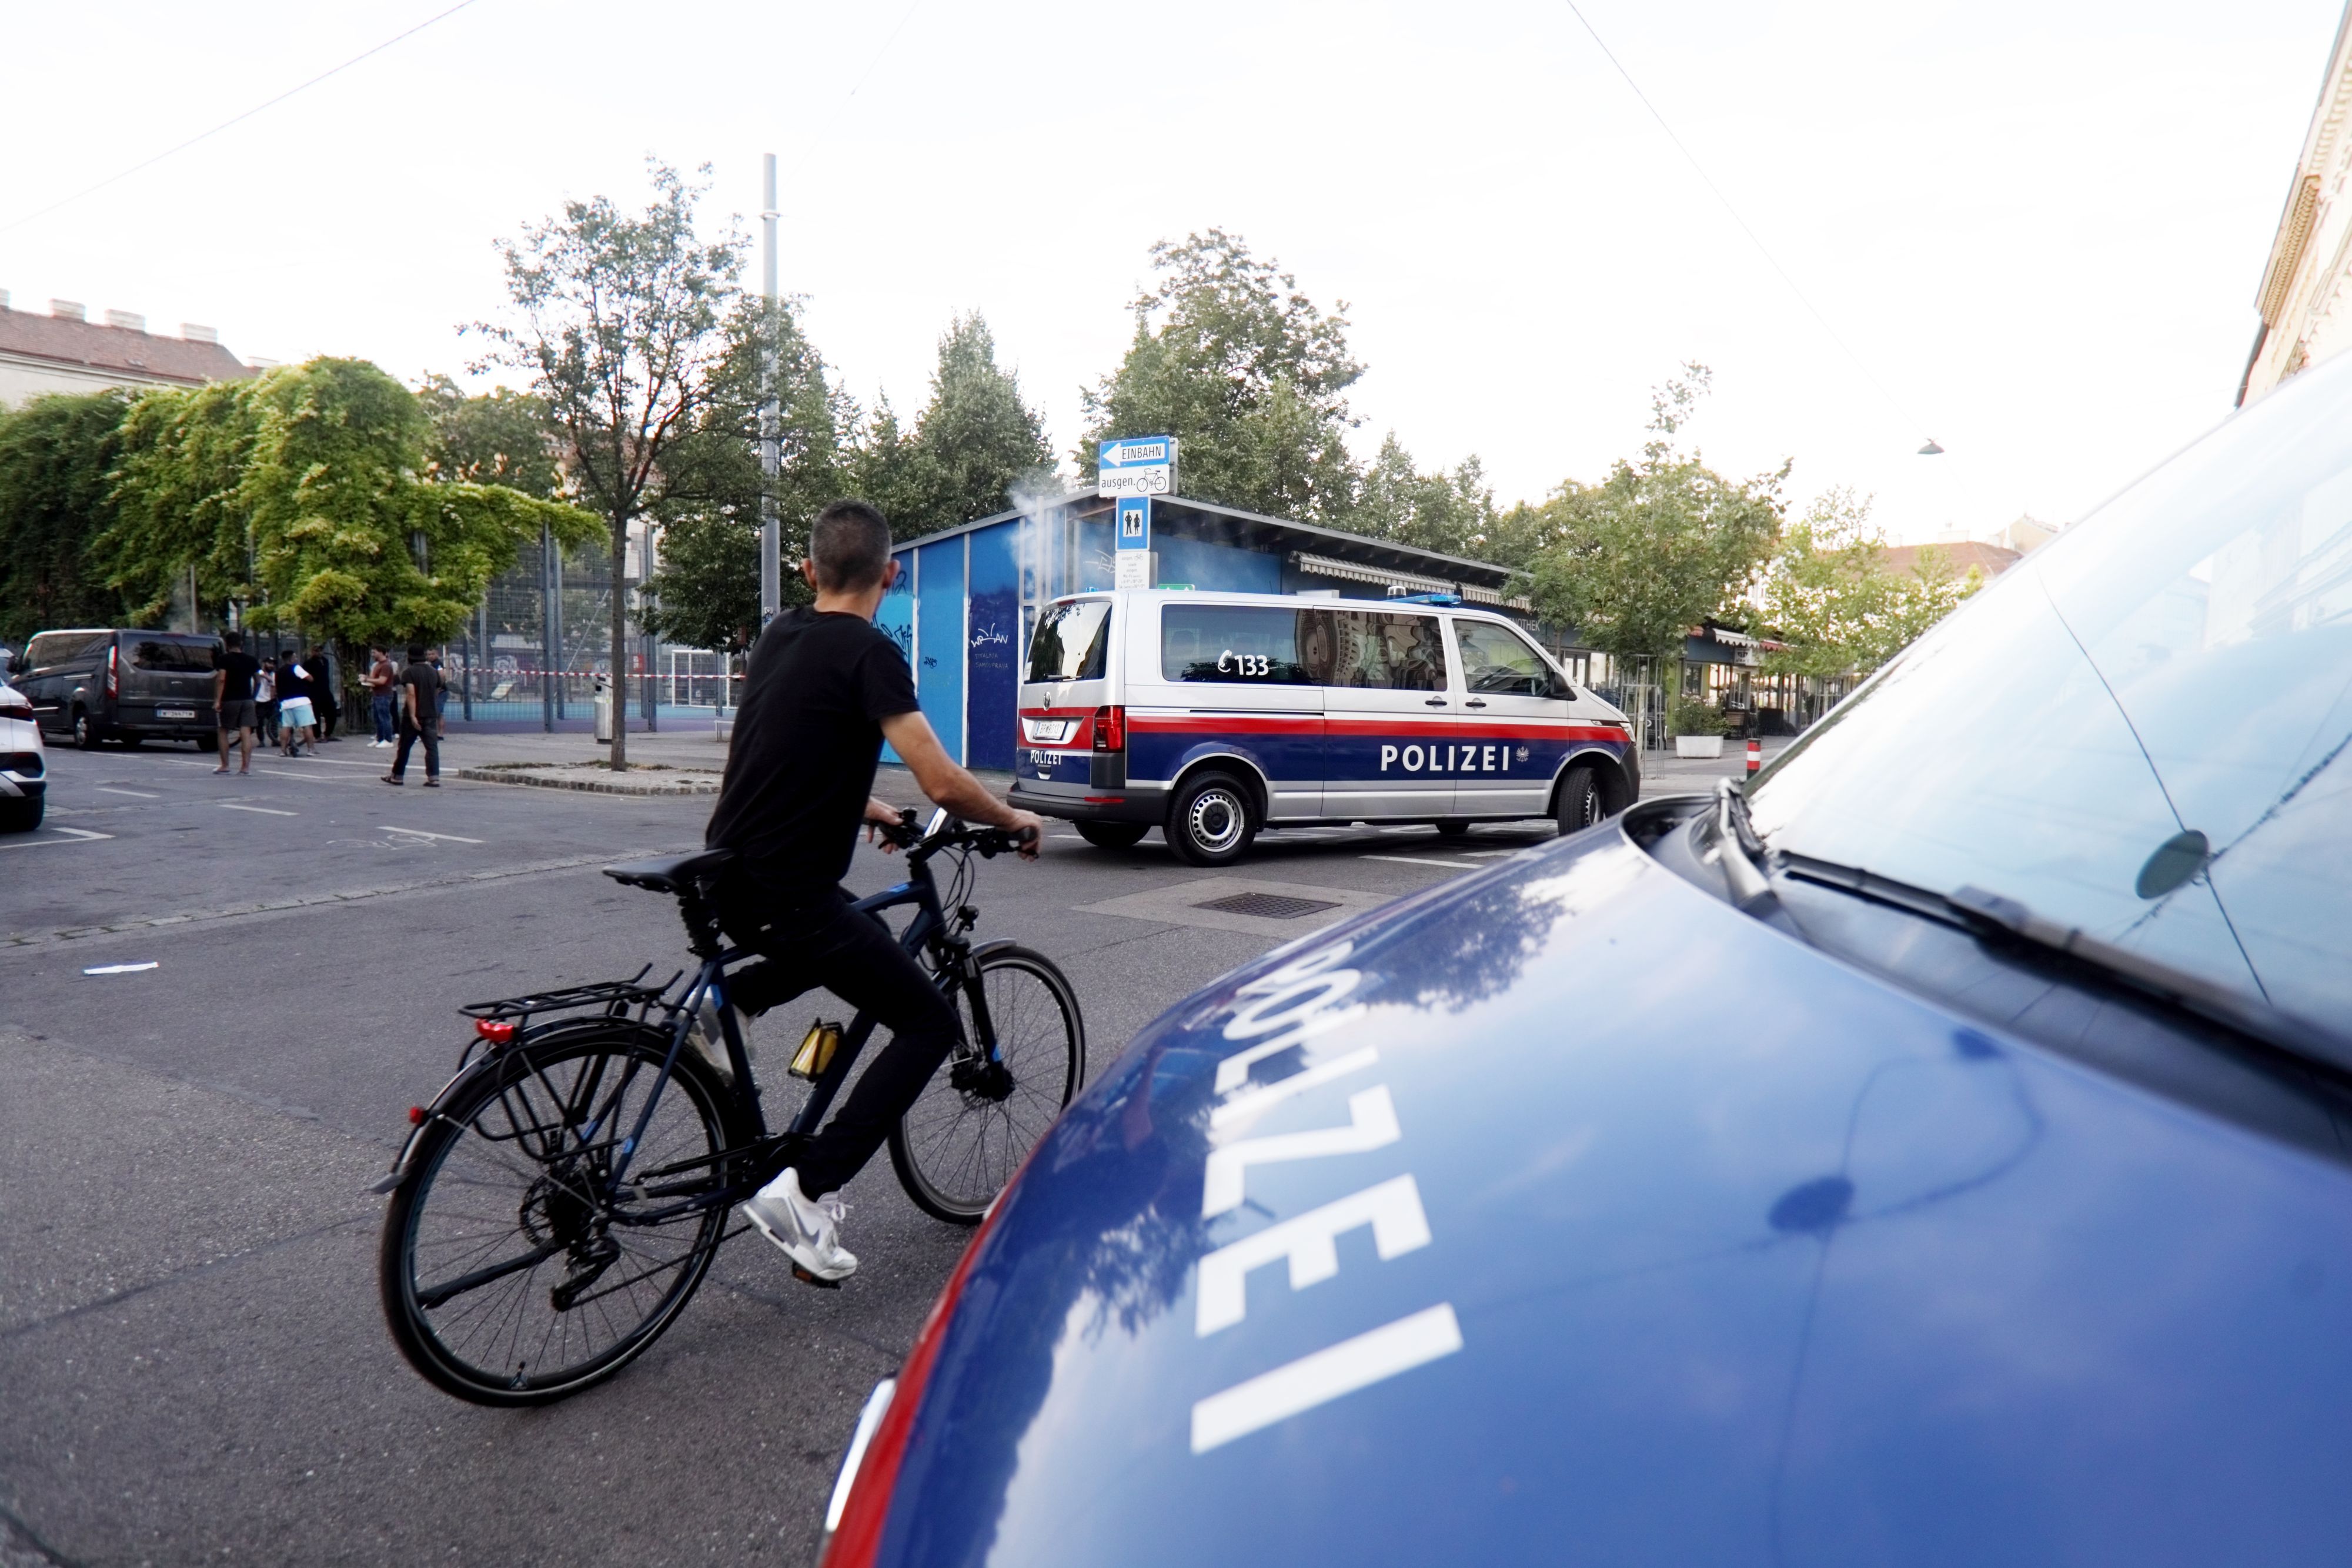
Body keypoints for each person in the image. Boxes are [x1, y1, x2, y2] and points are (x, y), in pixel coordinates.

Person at [709, 499, 1044, 1283]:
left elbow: (781, 757)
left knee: (844, 938)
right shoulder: (869, 651)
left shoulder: (779, 635)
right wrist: (1013, 816)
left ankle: (728, 1006)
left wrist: (869, 806)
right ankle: (805, 1192)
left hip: (729, 873)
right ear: (891, 575)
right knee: (929, 1020)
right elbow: (941, 778)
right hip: (787, 890)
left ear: (808, 570)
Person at [382, 643, 443, 787]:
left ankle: (397, 777)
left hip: (412, 717)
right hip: (430, 714)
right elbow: (438, 688)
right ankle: (433, 778)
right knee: (432, 747)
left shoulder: (409, 673)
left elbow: (411, 694)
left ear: (410, 657)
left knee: (404, 747)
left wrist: (413, 715)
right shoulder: (433, 672)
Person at [211, 630, 261, 775]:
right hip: (247, 700)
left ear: (227, 644)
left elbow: (221, 679)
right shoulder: (251, 660)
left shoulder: (224, 659)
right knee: (246, 732)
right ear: (242, 644)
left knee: (223, 730)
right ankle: (245, 767)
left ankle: (225, 765)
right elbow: (258, 681)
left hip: (230, 699)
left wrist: (218, 700)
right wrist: (254, 697)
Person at [278, 655, 318, 756]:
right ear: (291, 659)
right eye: (295, 657)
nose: (296, 659)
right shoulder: (296, 668)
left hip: (286, 703)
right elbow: (310, 679)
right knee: (307, 726)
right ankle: (311, 750)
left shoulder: (279, 672)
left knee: (286, 727)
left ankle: (283, 750)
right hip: (301, 701)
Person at [368, 646, 398, 747]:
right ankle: (380, 738)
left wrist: (368, 680)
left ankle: (388, 740)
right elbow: (374, 678)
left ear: (382, 653)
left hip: (384, 694)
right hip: (377, 694)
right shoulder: (378, 665)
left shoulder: (386, 665)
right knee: (377, 717)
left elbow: (382, 681)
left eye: (374, 652)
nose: (373, 655)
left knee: (384, 717)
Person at [310, 646, 340, 741]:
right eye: (317, 651)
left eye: (321, 651)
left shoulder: (325, 661)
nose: (319, 653)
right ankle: (318, 735)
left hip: (326, 690)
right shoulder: (309, 663)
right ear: (312, 652)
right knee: (316, 714)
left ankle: (328, 733)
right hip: (314, 692)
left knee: (332, 712)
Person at [254, 657, 279, 748]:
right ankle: (261, 740)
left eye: (273, 664)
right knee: (259, 722)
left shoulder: (274, 675)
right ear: (264, 663)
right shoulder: (258, 673)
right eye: (269, 663)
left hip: (270, 701)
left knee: (274, 721)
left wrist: (272, 699)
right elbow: (258, 672)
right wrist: (266, 676)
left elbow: (274, 687)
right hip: (260, 701)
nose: (271, 665)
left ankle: (275, 739)